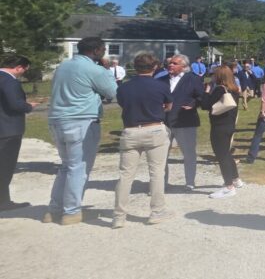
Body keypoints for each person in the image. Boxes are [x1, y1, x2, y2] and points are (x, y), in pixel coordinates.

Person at [45, 37, 118, 225]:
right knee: (79, 168)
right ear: (95, 50)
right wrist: (106, 69)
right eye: (103, 49)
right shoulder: (94, 69)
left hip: (57, 119)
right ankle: (71, 211)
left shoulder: (63, 66)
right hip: (81, 120)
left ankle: (54, 209)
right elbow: (113, 92)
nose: (104, 52)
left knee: (66, 166)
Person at [112, 53, 173, 228]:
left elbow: (123, 104)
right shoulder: (160, 85)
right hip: (154, 128)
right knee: (156, 173)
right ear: (154, 67)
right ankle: (156, 211)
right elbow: (168, 106)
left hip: (131, 130)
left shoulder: (124, 87)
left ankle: (119, 215)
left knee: (125, 175)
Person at [158, 54, 205, 191]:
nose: (170, 65)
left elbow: (201, 96)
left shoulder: (193, 79)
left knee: (189, 153)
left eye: (174, 63)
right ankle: (161, 183)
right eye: (170, 63)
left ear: (184, 67)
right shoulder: (161, 80)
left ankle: (189, 182)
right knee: (161, 155)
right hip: (164, 122)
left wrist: (193, 104)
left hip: (185, 120)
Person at [0, 55, 37, 211]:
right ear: (19, 67)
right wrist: (29, 106)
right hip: (8, 129)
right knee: (5, 167)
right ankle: (3, 202)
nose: (23, 73)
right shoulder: (9, 81)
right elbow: (15, 104)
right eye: (24, 70)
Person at [201, 66, 244, 199]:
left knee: (221, 155)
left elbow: (205, 105)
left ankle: (228, 186)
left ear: (218, 76)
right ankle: (236, 179)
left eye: (214, 74)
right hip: (229, 125)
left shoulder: (219, 89)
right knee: (226, 152)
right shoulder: (234, 89)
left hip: (219, 126)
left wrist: (207, 91)